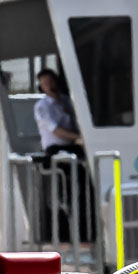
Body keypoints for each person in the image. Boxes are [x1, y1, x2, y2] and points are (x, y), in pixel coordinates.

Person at [32, 68, 91, 246]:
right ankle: (68, 231)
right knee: (67, 188)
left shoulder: (66, 101)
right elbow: (55, 129)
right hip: (56, 149)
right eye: (44, 83)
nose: (49, 85)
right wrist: (78, 138)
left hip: (73, 147)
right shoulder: (42, 106)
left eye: (51, 81)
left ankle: (84, 227)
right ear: (41, 86)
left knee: (83, 184)